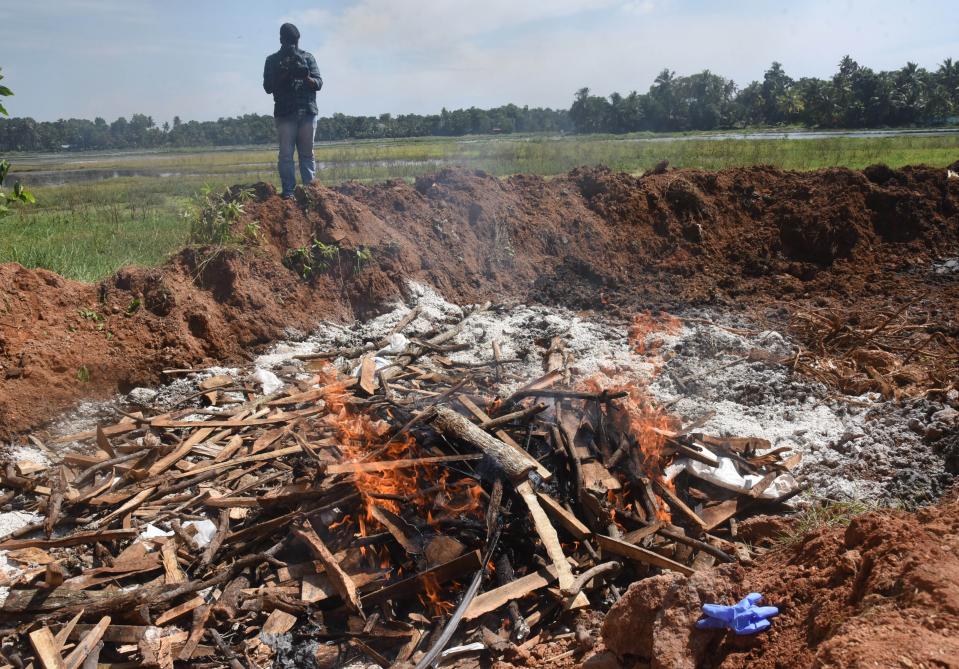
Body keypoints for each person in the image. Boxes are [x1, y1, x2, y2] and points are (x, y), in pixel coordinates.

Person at [263, 23, 323, 199]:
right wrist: (285, 74)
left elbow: (318, 83)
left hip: (307, 112)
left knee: (307, 154)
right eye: (290, 42)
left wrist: (305, 76)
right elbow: (268, 87)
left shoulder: (307, 57)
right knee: (286, 155)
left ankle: (310, 192)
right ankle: (289, 193)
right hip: (285, 114)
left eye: (295, 42)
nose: (293, 46)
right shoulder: (272, 60)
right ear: (281, 40)